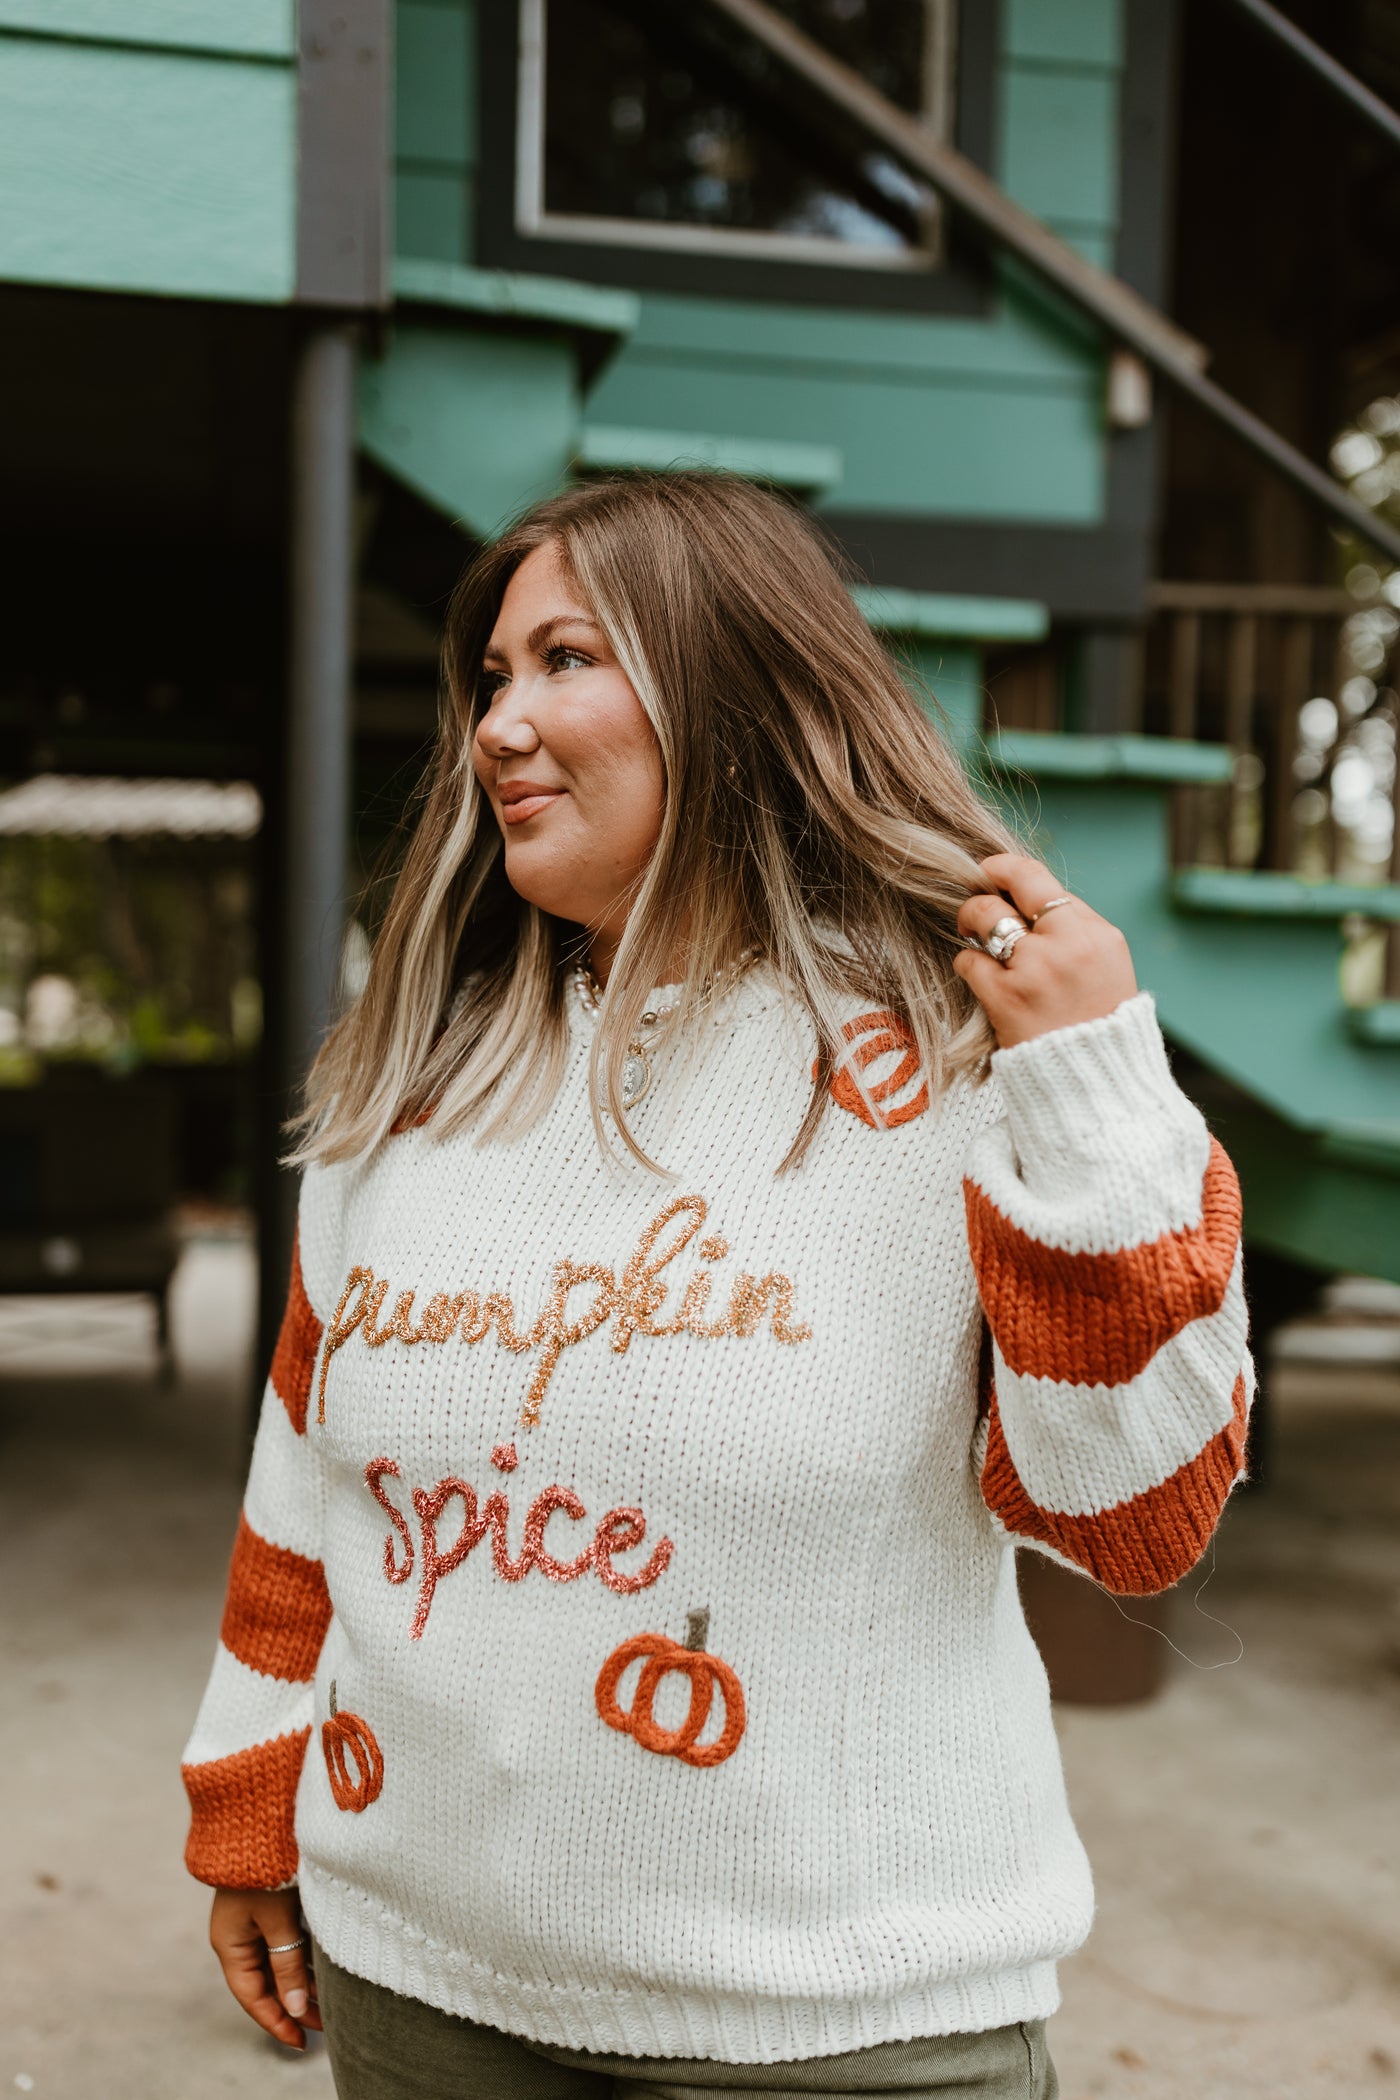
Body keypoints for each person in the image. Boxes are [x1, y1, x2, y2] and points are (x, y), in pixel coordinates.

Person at [182, 473, 1251, 2100]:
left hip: (831, 2023)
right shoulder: (408, 1077)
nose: (500, 726)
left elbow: (1137, 1523)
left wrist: (1097, 1102)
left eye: (566, 661)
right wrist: (251, 1794)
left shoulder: (965, 1064)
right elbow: (306, 1483)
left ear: (732, 686)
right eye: (491, 679)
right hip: (421, 1981)